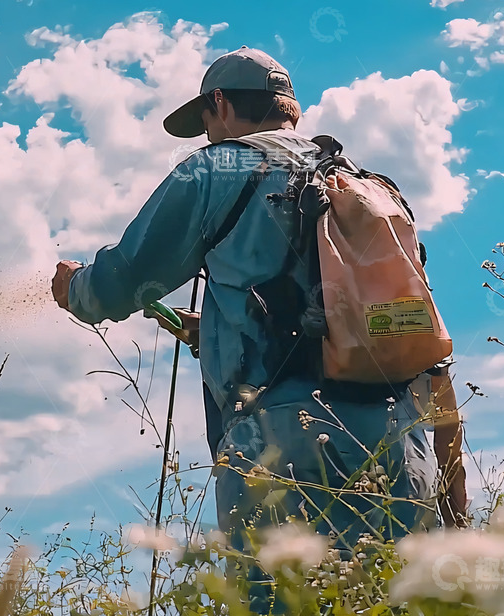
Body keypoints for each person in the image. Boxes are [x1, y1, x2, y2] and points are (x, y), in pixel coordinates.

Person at [51, 48, 468, 557]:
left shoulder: (214, 168)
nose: (209, 137)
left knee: (285, 609)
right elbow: (421, 347)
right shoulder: (369, 189)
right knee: (384, 608)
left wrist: (75, 287)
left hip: (281, 446)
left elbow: (121, 282)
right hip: (401, 450)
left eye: (207, 122)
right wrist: (454, 502)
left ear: (221, 104)